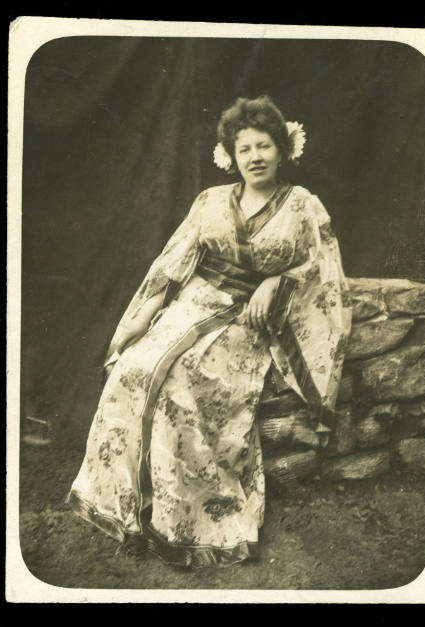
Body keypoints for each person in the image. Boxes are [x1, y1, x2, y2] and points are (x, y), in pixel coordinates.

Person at [66, 95, 352, 567]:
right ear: (231, 156)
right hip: (195, 302)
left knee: (182, 381)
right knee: (135, 366)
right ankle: (123, 505)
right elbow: (173, 266)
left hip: (249, 321)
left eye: (264, 146)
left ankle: (180, 520)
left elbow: (322, 268)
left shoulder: (303, 205)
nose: (256, 157)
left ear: (283, 150)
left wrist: (277, 282)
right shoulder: (211, 201)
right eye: (245, 149)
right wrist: (138, 322)